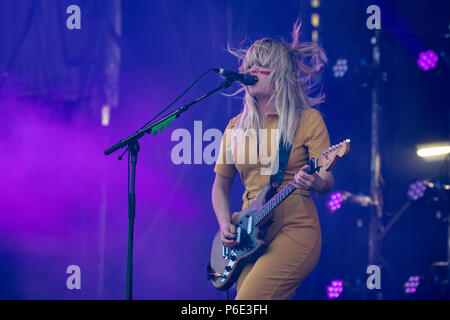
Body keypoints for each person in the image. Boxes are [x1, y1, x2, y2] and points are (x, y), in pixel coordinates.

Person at [211, 20, 334, 300]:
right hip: (247, 234)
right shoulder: (234, 128)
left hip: (294, 228)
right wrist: (223, 224)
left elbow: (327, 180)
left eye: (261, 65)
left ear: (280, 73)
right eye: (249, 66)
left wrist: (315, 180)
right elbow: (220, 186)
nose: (251, 71)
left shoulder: (307, 120)